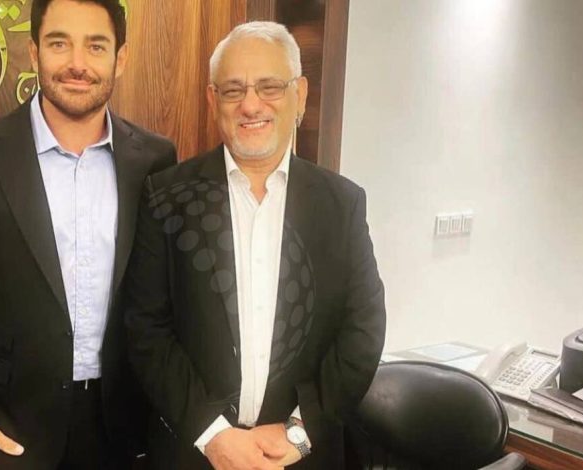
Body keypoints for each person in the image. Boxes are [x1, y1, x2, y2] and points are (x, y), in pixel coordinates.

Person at [0, 0, 176, 468]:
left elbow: (160, 299)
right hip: (8, 432)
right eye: (60, 43)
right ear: (35, 52)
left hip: (125, 429)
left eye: (95, 46)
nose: (77, 63)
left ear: (120, 58)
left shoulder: (156, 160)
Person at [123, 21, 386, 469]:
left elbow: (363, 330)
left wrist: (299, 431)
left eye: (270, 87)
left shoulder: (342, 205)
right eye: (233, 90)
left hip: (299, 457)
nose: (250, 104)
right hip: (193, 453)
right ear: (213, 101)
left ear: (300, 95)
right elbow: (146, 330)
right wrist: (214, 436)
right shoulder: (165, 196)